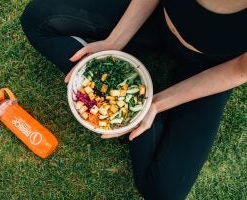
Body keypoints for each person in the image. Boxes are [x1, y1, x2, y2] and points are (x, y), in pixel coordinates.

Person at [20, 0, 247, 199]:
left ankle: (135, 109)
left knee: (163, 192)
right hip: (156, 20)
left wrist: (155, 104)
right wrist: (114, 42)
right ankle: (113, 79)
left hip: (208, 67)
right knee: (37, 19)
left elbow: (240, 70)